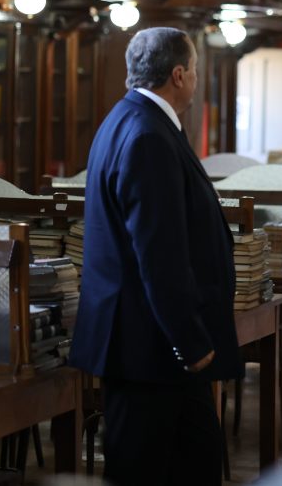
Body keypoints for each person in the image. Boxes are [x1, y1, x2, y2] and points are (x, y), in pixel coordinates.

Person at [70, 27, 240, 486]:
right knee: (142, 470)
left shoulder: (131, 118)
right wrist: (191, 341)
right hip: (151, 346)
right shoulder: (146, 133)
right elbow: (158, 252)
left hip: (155, 344)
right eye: (196, 70)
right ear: (179, 75)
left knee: (198, 458)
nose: (197, 79)